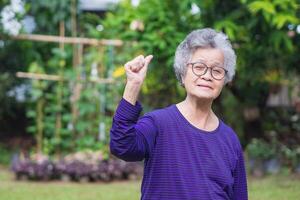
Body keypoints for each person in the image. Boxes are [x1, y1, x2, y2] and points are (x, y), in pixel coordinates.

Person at [110, 28, 248, 200]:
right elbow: (121, 146)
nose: (207, 76)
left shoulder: (230, 139)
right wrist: (133, 85)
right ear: (183, 74)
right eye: (199, 67)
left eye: (217, 70)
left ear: (225, 80)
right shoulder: (158, 123)